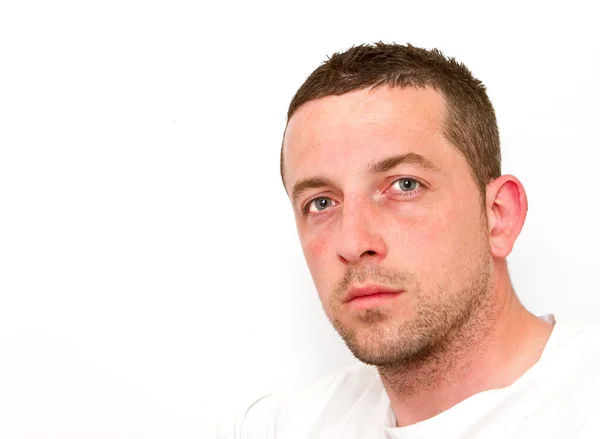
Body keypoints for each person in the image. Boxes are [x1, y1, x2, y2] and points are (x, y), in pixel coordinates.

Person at [218, 43, 600, 438]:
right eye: (321, 202)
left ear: (498, 216)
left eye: (404, 185)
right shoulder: (276, 427)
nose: (352, 242)